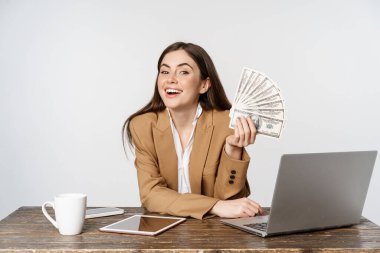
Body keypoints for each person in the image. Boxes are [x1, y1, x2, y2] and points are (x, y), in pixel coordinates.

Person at [122, 42, 263, 219]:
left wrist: (233, 150)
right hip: (163, 231)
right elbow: (151, 195)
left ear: (204, 85)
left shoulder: (226, 123)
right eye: (165, 71)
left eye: (183, 72)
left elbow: (232, 202)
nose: (170, 79)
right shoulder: (142, 126)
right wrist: (214, 205)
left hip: (213, 234)